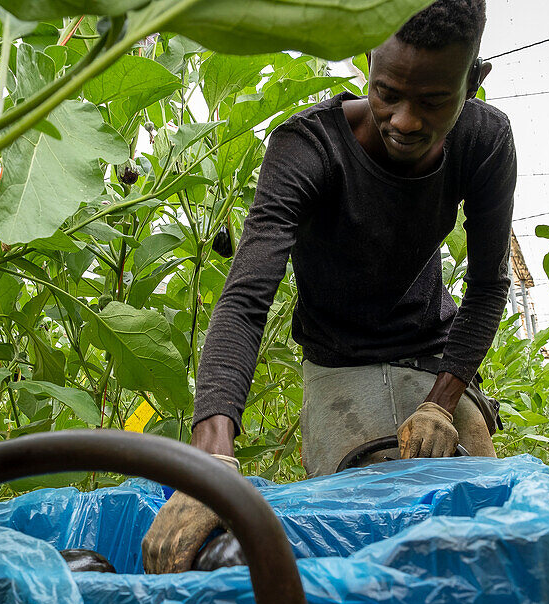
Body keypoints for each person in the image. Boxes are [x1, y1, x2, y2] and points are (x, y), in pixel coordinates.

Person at [143, 0, 516, 573]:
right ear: (367, 60)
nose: (405, 120)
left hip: (436, 356)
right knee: (362, 557)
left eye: (434, 101)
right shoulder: (307, 149)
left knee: (479, 543)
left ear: (473, 82)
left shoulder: (483, 141)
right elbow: (244, 303)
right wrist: (209, 464)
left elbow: (489, 286)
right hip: (337, 363)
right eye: (387, 92)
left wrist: (442, 403)